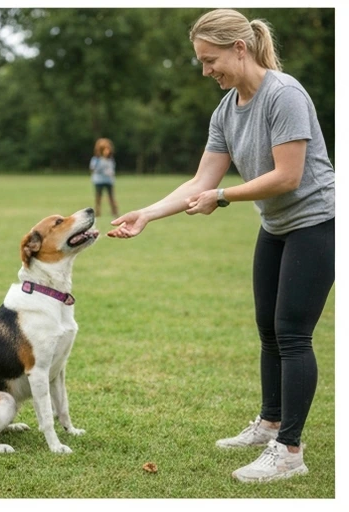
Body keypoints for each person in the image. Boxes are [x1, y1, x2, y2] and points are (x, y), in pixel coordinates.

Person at [107, 8, 334, 483]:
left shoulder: (284, 94)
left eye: (211, 60)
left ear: (239, 48)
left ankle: (289, 449)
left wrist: (224, 197)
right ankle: (270, 422)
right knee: (267, 328)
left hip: (317, 222)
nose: (207, 71)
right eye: (200, 62)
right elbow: (201, 181)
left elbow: (288, 176)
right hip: (275, 225)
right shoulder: (226, 109)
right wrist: (147, 213)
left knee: (292, 332)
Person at [89, 138, 119, 217]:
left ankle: (114, 211)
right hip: (99, 180)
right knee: (98, 197)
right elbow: (93, 168)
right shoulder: (96, 159)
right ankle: (97, 212)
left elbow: (112, 169)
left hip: (108, 180)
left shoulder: (110, 159)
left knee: (111, 197)